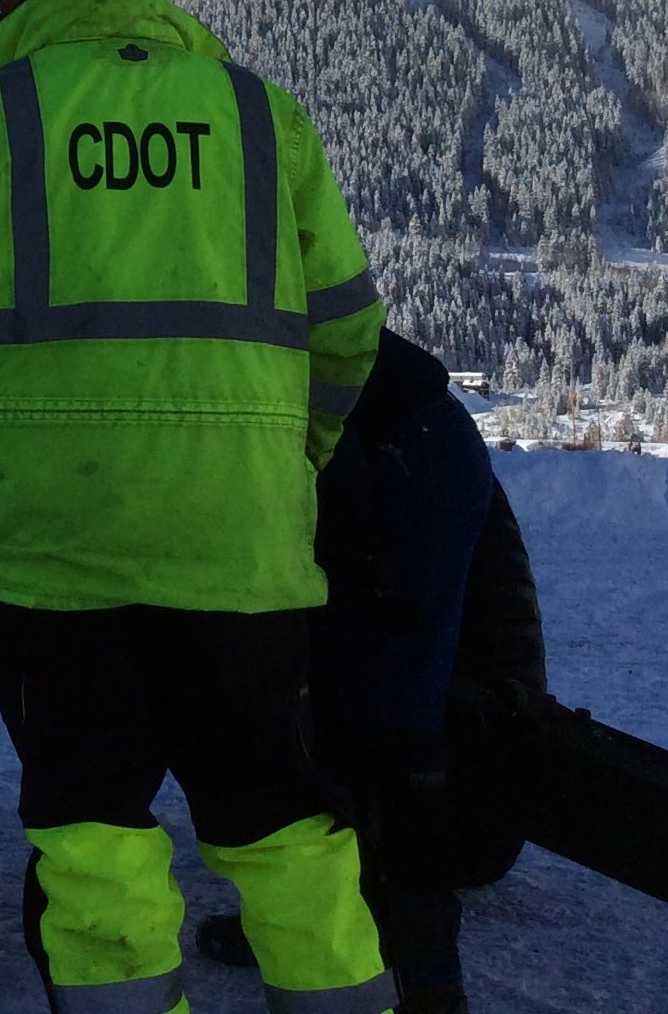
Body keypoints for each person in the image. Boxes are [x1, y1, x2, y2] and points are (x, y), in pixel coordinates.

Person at [0, 0, 395, 1014]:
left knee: (96, 832)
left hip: (54, 554)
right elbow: (350, 327)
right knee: (283, 825)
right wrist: (281, 465)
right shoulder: (265, 116)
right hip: (241, 550)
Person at [196, 330, 549, 1014]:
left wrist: (367, 577)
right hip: (357, 452)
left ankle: (428, 981)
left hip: (392, 457)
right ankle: (307, 918)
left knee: (385, 726)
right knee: (308, 709)